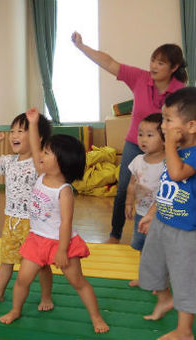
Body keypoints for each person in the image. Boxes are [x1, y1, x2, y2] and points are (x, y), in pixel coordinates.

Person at [0, 108, 109, 334]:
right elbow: (36, 147)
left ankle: (96, 317)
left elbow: (66, 224)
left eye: (48, 153)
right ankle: (16, 310)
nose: (41, 155)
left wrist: (61, 250)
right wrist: (32, 123)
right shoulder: (42, 173)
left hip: (61, 242)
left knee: (78, 282)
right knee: (22, 279)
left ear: (63, 163)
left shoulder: (64, 190)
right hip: (37, 239)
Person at [72, 32, 187, 244]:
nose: (153, 65)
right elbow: (109, 62)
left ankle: (167, 236)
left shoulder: (180, 92)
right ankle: (115, 235)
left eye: (160, 63)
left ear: (173, 68)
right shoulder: (140, 78)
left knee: (167, 190)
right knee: (124, 188)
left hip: (167, 148)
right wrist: (82, 46)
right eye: (153, 60)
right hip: (136, 143)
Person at [138, 87, 196, 340]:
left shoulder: (191, 153)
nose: (163, 126)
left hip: (186, 230)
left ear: (191, 126)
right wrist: (152, 212)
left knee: (184, 277)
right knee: (152, 266)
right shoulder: (175, 152)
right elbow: (166, 187)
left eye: (168, 120)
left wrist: (170, 145)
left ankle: (184, 330)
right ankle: (164, 299)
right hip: (163, 220)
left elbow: (176, 174)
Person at [0, 112, 54, 308]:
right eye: (12, 131)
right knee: (6, 260)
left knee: (42, 264)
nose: (14, 135)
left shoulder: (40, 163)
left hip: (34, 224)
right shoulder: (9, 161)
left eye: (21, 131)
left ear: (37, 138)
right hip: (11, 221)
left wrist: (34, 123)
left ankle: (46, 297)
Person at [124, 113, 165, 287]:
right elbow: (132, 184)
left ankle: (162, 280)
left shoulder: (169, 163)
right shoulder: (138, 161)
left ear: (164, 139)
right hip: (141, 214)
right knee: (142, 247)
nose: (143, 139)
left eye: (150, 135)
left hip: (162, 216)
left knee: (161, 249)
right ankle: (144, 277)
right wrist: (128, 203)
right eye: (140, 134)